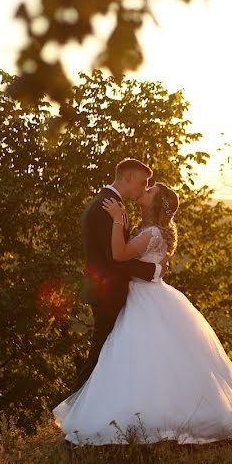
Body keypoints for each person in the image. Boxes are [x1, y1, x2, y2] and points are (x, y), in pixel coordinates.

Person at [53, 182, 232, 444]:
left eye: (149, 192)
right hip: (150, 293)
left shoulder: (151, 233)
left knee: (141, 357)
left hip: (143, 298)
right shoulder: (152, 231)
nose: (143, 192)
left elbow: (119, 254)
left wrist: (116, 220)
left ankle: (151, 417)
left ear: (156, 204)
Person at [74, 158, 164, 392]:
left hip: (107, 290)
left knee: (109, 352)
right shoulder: (108, 206)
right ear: (129, 177)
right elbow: (114, 257)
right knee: (101, 351)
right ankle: (76, 408)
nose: (144, 188)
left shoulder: (110, 202)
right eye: (143, 182)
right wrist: (152, 270)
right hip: (107, 292)